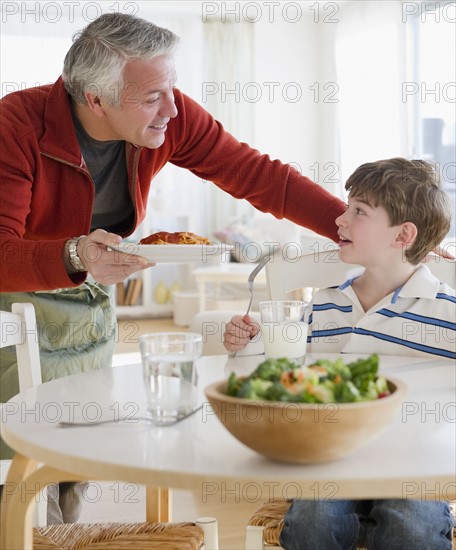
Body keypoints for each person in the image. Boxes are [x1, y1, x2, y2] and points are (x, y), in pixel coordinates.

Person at [0, 12, 347, 523]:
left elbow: (259, 176)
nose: (172, 108)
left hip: (89, 292)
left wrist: (356, 229)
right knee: (29, 444)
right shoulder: (16, 125)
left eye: (172, 89)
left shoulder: (170, 113)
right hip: (19, 295)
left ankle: (55, 525)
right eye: (152, 98)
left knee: (79, 443)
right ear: (95, 99)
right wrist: (76, 255)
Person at [224, 157, 455, 549]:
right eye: (347, 207)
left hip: (414, 460)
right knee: (312, 520)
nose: (340, 220)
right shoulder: (327, 304)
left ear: (403, 236)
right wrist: (248, 344)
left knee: (410, 525)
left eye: (359, 211)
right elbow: (290, 371)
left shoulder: (447, 313)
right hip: (331, 455)